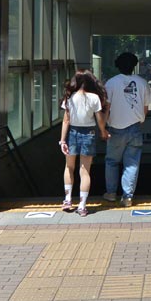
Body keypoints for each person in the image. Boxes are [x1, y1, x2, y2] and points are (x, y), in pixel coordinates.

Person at [103, 52, 151, 207]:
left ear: (117, 65)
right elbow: (145, 109)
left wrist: (103, 127)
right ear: (134, 66)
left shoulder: (110, 83)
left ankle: (111, 193)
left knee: (112, 162)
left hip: (115, 128)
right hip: (135, 127)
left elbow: (107, 108)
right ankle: (127, 197)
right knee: (131, 163)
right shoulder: (142, 82)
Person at [58, 70, 109, 217]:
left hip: (72, 133)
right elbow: (99, 119)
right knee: (84, 171)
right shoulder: (94, 98)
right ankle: (82, 205)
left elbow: (66, 120)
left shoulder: (70, 97)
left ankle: (67, 200)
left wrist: (62, 140)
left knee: (69, 167)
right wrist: (103, 132)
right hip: (89, 134)